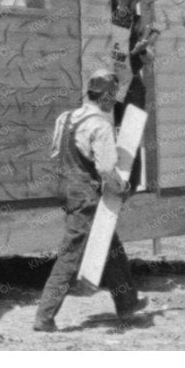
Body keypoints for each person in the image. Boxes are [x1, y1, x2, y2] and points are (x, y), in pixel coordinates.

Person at [34, 67, 145, 332]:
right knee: (70, 255)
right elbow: (107, 169)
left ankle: (128, 302)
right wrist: (123, 187)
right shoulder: (100, 125)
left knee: (112, 247)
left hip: (67, 188)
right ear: (106, 97)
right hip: (86, 195)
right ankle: (44, 316)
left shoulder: (65, 117)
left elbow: (54, 153)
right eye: (113, 97)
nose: (114, 102)